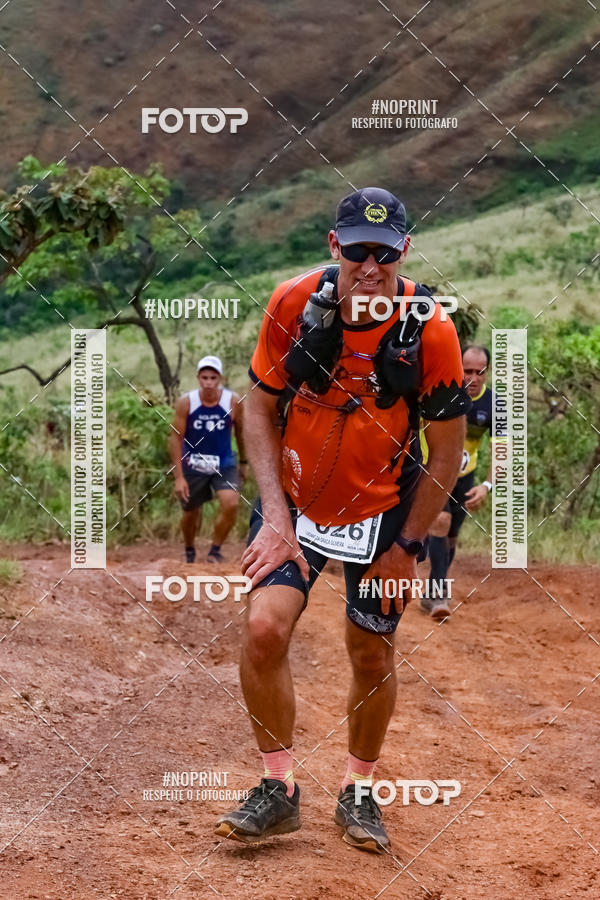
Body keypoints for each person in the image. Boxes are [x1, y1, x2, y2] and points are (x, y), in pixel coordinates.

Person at [215, 187, 471, 852]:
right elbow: (258, 409)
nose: (370, 266)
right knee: (265, 629)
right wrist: (273, 516)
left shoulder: (430, 330)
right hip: (296, 499)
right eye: (357, 250)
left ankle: (359, 792)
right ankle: (279, 788)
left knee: (370, 648)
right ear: (335, 246)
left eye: (383, 254)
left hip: (384, 508)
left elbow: (446, 452)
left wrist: (408, 545)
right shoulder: (293, 305)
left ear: (403, 252)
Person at [421, 345, 495, 620]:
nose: (473, 378)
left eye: (480, 372)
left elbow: (503, 449)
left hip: (466, 476)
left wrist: (486, 486)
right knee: (440, 522)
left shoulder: (494, 404)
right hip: (434, 470)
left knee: (451, 537)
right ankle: (440, 595)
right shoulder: (440, 391)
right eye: (467, 371)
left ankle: (431, 591)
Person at [169, 355, 247, 563]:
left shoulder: (232, 401)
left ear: (220, 378)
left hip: (224, 462)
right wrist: (178, 477)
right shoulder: (187, 402)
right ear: (198, 378)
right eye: (204, 377)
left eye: (213, 378)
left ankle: (215, 550)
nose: (209, 383)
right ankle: (189, 550)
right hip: (193, 463)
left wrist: (244, 463)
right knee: (191, 513)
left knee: (230, 504)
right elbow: (176, 439)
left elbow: (240, 434)